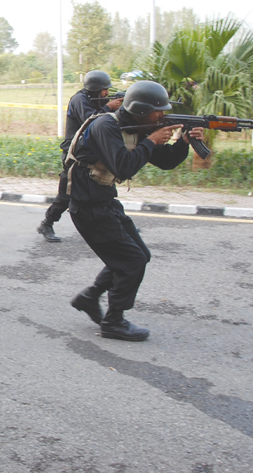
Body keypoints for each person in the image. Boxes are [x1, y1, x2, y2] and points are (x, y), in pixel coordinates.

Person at [67, 80, 204, 342]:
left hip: (104, 201)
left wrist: (183, 142)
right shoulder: (105, 125)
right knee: (132, 261)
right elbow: (124, 168)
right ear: (140, 110)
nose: (162, 116)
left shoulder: (135, 128)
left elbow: (165, 162)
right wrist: (151, 140)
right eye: (158, 111)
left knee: (139, 254)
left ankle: (89, 297)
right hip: (87, 206)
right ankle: (113, 322)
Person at [37, 70, 123, 242]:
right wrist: (109, 107)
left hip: (91, 154)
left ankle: (121, 224)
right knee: (67, 194)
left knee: (106, 190)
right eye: (105, 89)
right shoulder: (79, 100)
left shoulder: (95, 99)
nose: (107, 93)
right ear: (95, 88)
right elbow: (90, 121)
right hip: (74, 155)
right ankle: (47, 223)